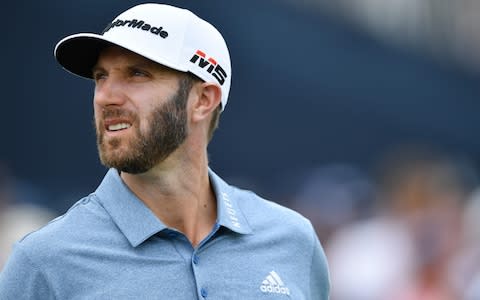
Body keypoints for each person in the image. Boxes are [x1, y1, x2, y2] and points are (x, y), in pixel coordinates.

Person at [0, 3, 330, 299]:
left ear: (203, 100)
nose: (105, 96)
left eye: (137, 73)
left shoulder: (292, 239)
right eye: (101, 77)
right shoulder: (45, 260)